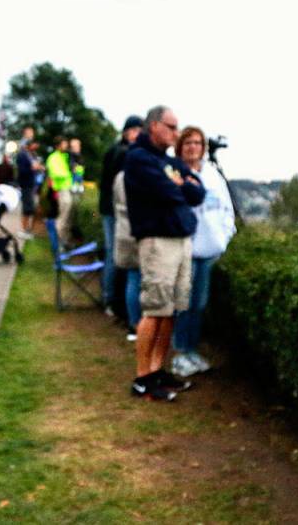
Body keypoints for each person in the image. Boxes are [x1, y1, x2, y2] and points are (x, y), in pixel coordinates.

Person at [124, 105, 205, 402]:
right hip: (158, 241)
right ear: (154, 126)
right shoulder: (138, 159)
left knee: (170, 309)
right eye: (171, 127)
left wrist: (181, 184)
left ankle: (157, 370)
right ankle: (143, 377)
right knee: (155, 308)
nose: (176, 133)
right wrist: (181, 186)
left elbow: (198, 193)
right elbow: (168, 192)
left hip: (180, 238)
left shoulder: (166, 161)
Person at [171, 127, 236, 377]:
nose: (193, 147)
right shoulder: (174, 172)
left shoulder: (212, 175)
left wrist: (225, 235)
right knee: (183, 304)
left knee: (199, 303)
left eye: (197, 143)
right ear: (180, 146)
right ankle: (180, 352)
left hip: (210, 248)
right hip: (185, 249)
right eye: (187, 142)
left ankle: (191, 349)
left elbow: (226, 208)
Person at [100, 115, 143, 317]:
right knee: (114, 255)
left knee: (117, 256)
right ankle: (110, 299)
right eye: (137, 130)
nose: (141, 134)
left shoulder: (119, 150)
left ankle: (114, 300)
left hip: (114, 210)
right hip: (114, 211)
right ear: (128, 131)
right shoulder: (121, 152)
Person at [112, 168, 142, 342]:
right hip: (138, 231)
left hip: (123, 230)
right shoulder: (142, 174)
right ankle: (140, 323)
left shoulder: (120, 176)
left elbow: (115, 200)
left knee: (131, 278)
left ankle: (133, 324)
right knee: (138, 279)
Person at [45, 136, 74, 246]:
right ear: (58, 145)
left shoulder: (64, 156)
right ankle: (58, 242)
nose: (66, 145)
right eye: (64, 143)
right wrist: (69, 174)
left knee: (67, 216)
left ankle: (64, 240)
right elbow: (55, 174)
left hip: (68, 188)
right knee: (63, 217)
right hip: (62, 190)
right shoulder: (53, 158)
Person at [15, 127, 44, 237]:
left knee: (29, 208)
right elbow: (22, 170)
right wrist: (33, 168)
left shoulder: (30, 155)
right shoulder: (22, 154)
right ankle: (23, 230)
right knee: (27, 208)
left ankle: (26, 230)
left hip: (30, 184)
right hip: (26, 184)